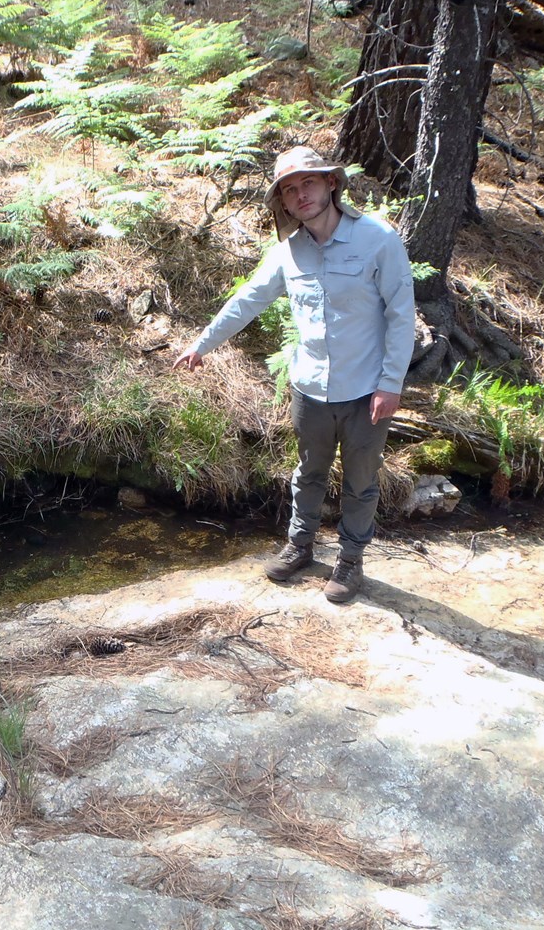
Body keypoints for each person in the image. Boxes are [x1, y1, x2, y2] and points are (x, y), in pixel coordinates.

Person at [172, 146, 416, 603]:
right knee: (308, 473)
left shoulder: (378, 239)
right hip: (310, 389)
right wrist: (201, 345)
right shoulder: (288, 252)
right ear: (282, 201)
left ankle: (350, 561)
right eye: (289, 189)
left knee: (361, 481)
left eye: (308, 182)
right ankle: (300, 546)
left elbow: (401, 315)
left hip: (366, 391)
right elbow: (248, 299)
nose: (300, 194)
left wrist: (390, 384)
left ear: (331, 183)